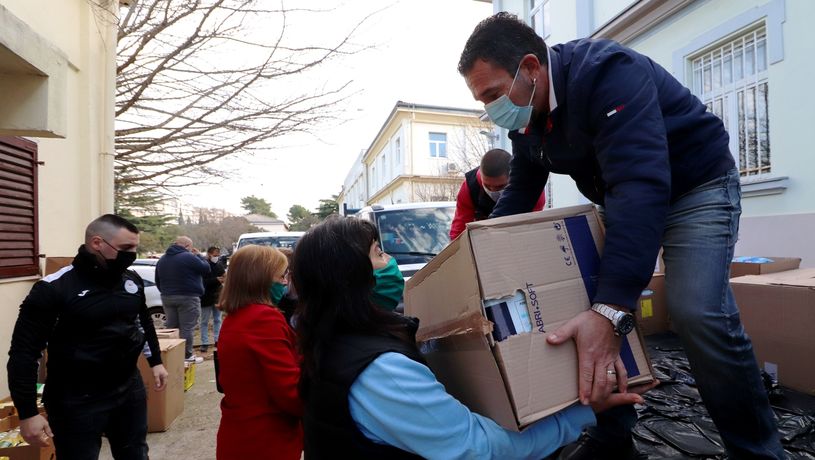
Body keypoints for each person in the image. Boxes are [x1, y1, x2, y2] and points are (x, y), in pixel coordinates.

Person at [458, 13, 785, 459]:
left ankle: (757, 452)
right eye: (483, 101)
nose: (493, 110)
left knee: (697, 311)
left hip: (696, 188)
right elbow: (522, 188)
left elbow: (640, 185)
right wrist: (474, 252)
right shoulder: (526, 115)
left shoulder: (609, 73)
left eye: (494, 94)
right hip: (624, 194)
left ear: (531, 68)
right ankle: (611, 435)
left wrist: (612, 309)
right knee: (574, 306)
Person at [293, 216, 646, 459]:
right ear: (351, 279)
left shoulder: (337, 340)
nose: (390, 263)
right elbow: (479, 450)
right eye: (378, 253)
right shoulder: (380, 371)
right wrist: (582, 413)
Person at [7, 214, 168, 459]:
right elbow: (24, 352)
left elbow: (142, 321)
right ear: (97, 243)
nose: (132, 255)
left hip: (128, 389)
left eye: (136, 248)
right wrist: (28, 412)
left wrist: (155, 361)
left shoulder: (130, 280)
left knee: (136, 454)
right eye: (126, 248)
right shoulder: (53, 289)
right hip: (75, 399)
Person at [215, 245, 302, 460]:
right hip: (266, 439)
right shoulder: (263, 318)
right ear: (261, 278)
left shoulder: (236, 316)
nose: (285, 282)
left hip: (240, 433)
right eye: (281, 276)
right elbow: (290, 393)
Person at [449, 148, 546, 239]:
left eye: (500, 186)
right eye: (487, 185)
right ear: (481, 175)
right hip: (482, 239)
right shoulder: (470, 187)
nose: (492, 190)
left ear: (512, 177)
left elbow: (533, 227)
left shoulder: (531, 187)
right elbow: (459, 230)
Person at [155, 236, 210, 363]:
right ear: (187, 246)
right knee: (187, 328)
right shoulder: (188, 256)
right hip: (188, 297)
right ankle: (187, 356)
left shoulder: (162, 259)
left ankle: (170, 354)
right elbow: (206, 269)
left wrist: (165, 292)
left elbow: (158, 280)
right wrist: (199, 256)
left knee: (172, 327)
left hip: (167, 297)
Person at [200, 246, 226, 353]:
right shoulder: (203, 265)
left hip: (217, 296)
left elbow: (224, 276)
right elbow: (202, 281)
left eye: (218, 255)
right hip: (205, 297)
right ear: (209, 254)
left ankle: (217, 340)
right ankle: (204, 342)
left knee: (217, 320)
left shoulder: (219, 265)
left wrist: (224, 278)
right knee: (204, 321)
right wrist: (216, 280)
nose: (217, 257)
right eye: (215, 255)